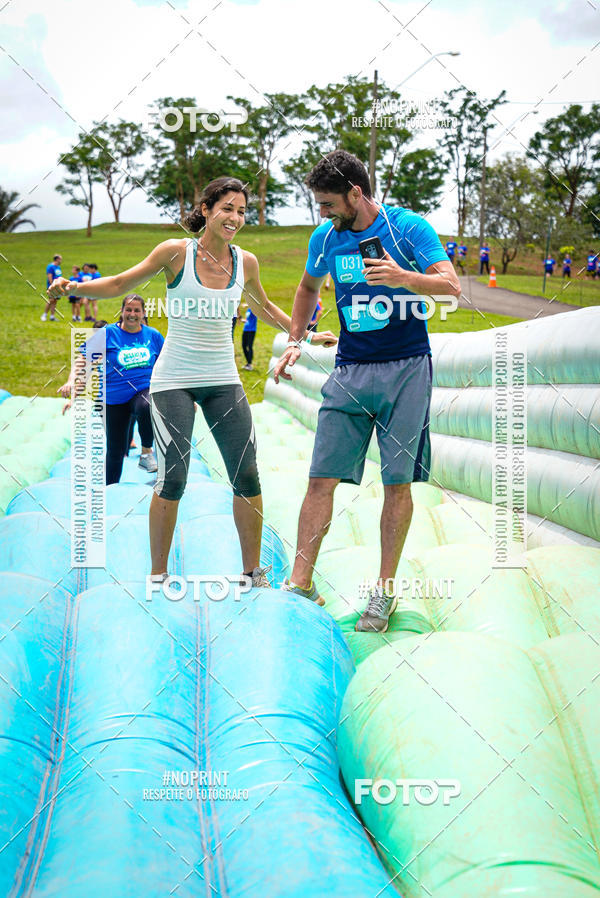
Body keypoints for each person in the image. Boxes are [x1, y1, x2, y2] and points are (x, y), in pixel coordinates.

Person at [48, 176, 337, 587]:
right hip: (174, 379)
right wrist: (72, 287)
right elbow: (118, 284)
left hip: (223, 378)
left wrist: (304, 335)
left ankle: (252, 573)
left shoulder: (246, 262)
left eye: (241, 211)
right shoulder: (175, 253)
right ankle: (158, 575)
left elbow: (265, 306)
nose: (235, 217)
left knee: (247, 474)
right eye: (227, 208)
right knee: (174, 477)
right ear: (205, 210)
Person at [273, 150, 460, 633]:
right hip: (351, 369)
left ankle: (384, 593)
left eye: (330, 203)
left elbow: (450, 288)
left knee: (396, 483)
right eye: (319, 204)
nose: (324, 213)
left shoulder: (409, 229)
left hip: (406, 369)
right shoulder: (326, 238)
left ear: (356, 193)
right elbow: (307, 288)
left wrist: (403, 277)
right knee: (321, 477)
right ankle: (300, 582)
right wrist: (296, 339)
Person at [56, 295, 163, 482]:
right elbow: (83, 360)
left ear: (143, 313)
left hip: (142, 390)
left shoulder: (153, 335)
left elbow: (168, 363)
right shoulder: (108, 334)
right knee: (116, 451)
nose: (132, 314)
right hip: (113, 399)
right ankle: (109, 488)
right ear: (121, 312)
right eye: (128, 310)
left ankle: (146, 451)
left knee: (147, 405)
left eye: (137, 310)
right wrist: (72, 381)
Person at [41, 254, 63, 321]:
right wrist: (52, 285)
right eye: (60, 259)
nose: (61, 260)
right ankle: (44, 315)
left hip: (58, 286)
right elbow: (49, 276)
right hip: (52, 286)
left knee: (55, 301)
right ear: (57, 259)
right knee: (51, 300)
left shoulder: (58, 267)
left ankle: (52, 316)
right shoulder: (51, 266)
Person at [241, 303, 257, 370]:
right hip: (245, 329)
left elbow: (256, 304)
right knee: (244, 346)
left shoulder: (254, 309)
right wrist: (244, 320)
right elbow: (248, 319)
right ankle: (248, 363)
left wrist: (247, 304)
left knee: (249, 346)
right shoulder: (248, 310)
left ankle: (250, 364)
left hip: (252, 330)